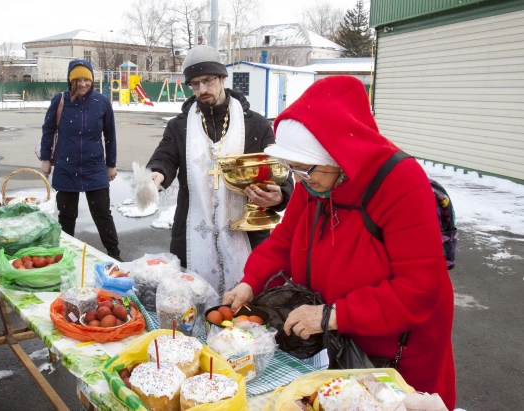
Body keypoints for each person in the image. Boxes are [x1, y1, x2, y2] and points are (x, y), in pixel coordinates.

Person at [223, 76, 456, 410]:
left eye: (306, 170)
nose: (301, 180)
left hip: (399, 349)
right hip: (343, 334)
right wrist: (250, 282)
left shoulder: (401, 182)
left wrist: (333, 315)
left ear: (338, 153)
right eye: (294, 170)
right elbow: (285, 240)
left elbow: (420, 287)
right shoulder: (317, 178)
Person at [147, 45, 293, 295]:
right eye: (195, 84)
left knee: (248, 310)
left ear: (222, 78)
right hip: (193, 232)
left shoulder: (256, 125)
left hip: (247, 237)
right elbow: (165, 156)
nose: (202, 90)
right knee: (192, 306)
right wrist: (155, 175)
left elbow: (279, 170)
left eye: (208, 81)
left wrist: (280, 195)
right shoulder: (179, 126)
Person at [40, 60, 122, 260]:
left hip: (95, 167)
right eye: (78, 79)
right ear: (71, 80)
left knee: (102, 214)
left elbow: (110, 135)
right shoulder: (59, 101)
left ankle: (114, 254)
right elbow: (48, 130)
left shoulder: (101, 102)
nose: (83, 84)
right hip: (66, 167)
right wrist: (45, 158)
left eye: (86, 79)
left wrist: (111, 164)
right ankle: (65, 257)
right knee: (67, 217)